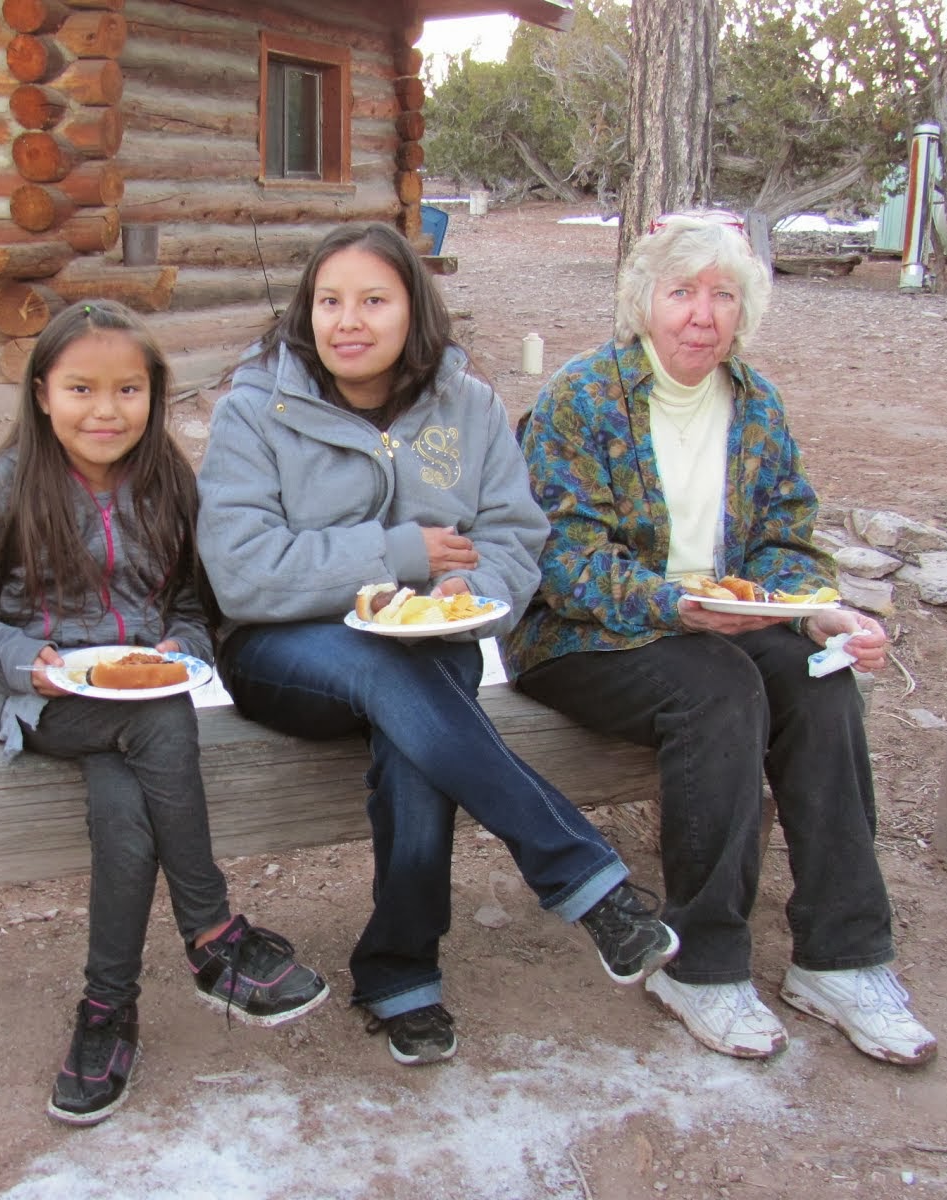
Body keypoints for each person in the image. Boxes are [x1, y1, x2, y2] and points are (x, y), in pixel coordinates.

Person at [194, 222, 678, 1068]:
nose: (349, 321)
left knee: (417, 724)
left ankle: (400, 968)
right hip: (283, 653)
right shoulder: (255, 408)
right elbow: (242, 573)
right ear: (306, 312)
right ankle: (581, 880)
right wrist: (400, 555)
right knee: (398, 679)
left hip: (432, 639)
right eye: (330, 301)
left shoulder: (468, 405)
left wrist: (470, 592)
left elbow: (511, 538)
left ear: (413, 309)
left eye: (374, 300)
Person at [507, 211, 935, 1066]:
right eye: (681, 293)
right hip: (581, 639)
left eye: (722, 296)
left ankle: (842, 955)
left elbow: (787, 533)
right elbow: (561, 558)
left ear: (745, 311)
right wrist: (674, 604)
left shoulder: (755, 401)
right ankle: (699, 963)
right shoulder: (582, 399)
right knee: (719, 685)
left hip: (720, 623)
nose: (702, 315)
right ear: (643, 304)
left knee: (818, 678)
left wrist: (814, 610)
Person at [0, 299, 327, 1126]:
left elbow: (191, 601)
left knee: (123, 802)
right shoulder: (5, 486)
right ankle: (215, 935)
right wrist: (15, 662)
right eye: (80, 389)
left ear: (154, 394)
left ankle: (106, 1011)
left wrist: (183, 651)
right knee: (159, 721)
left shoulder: (168, 484)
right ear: (42, 393)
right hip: (42, 704)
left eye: (127, 391)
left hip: (134, 710)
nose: (105, 411)